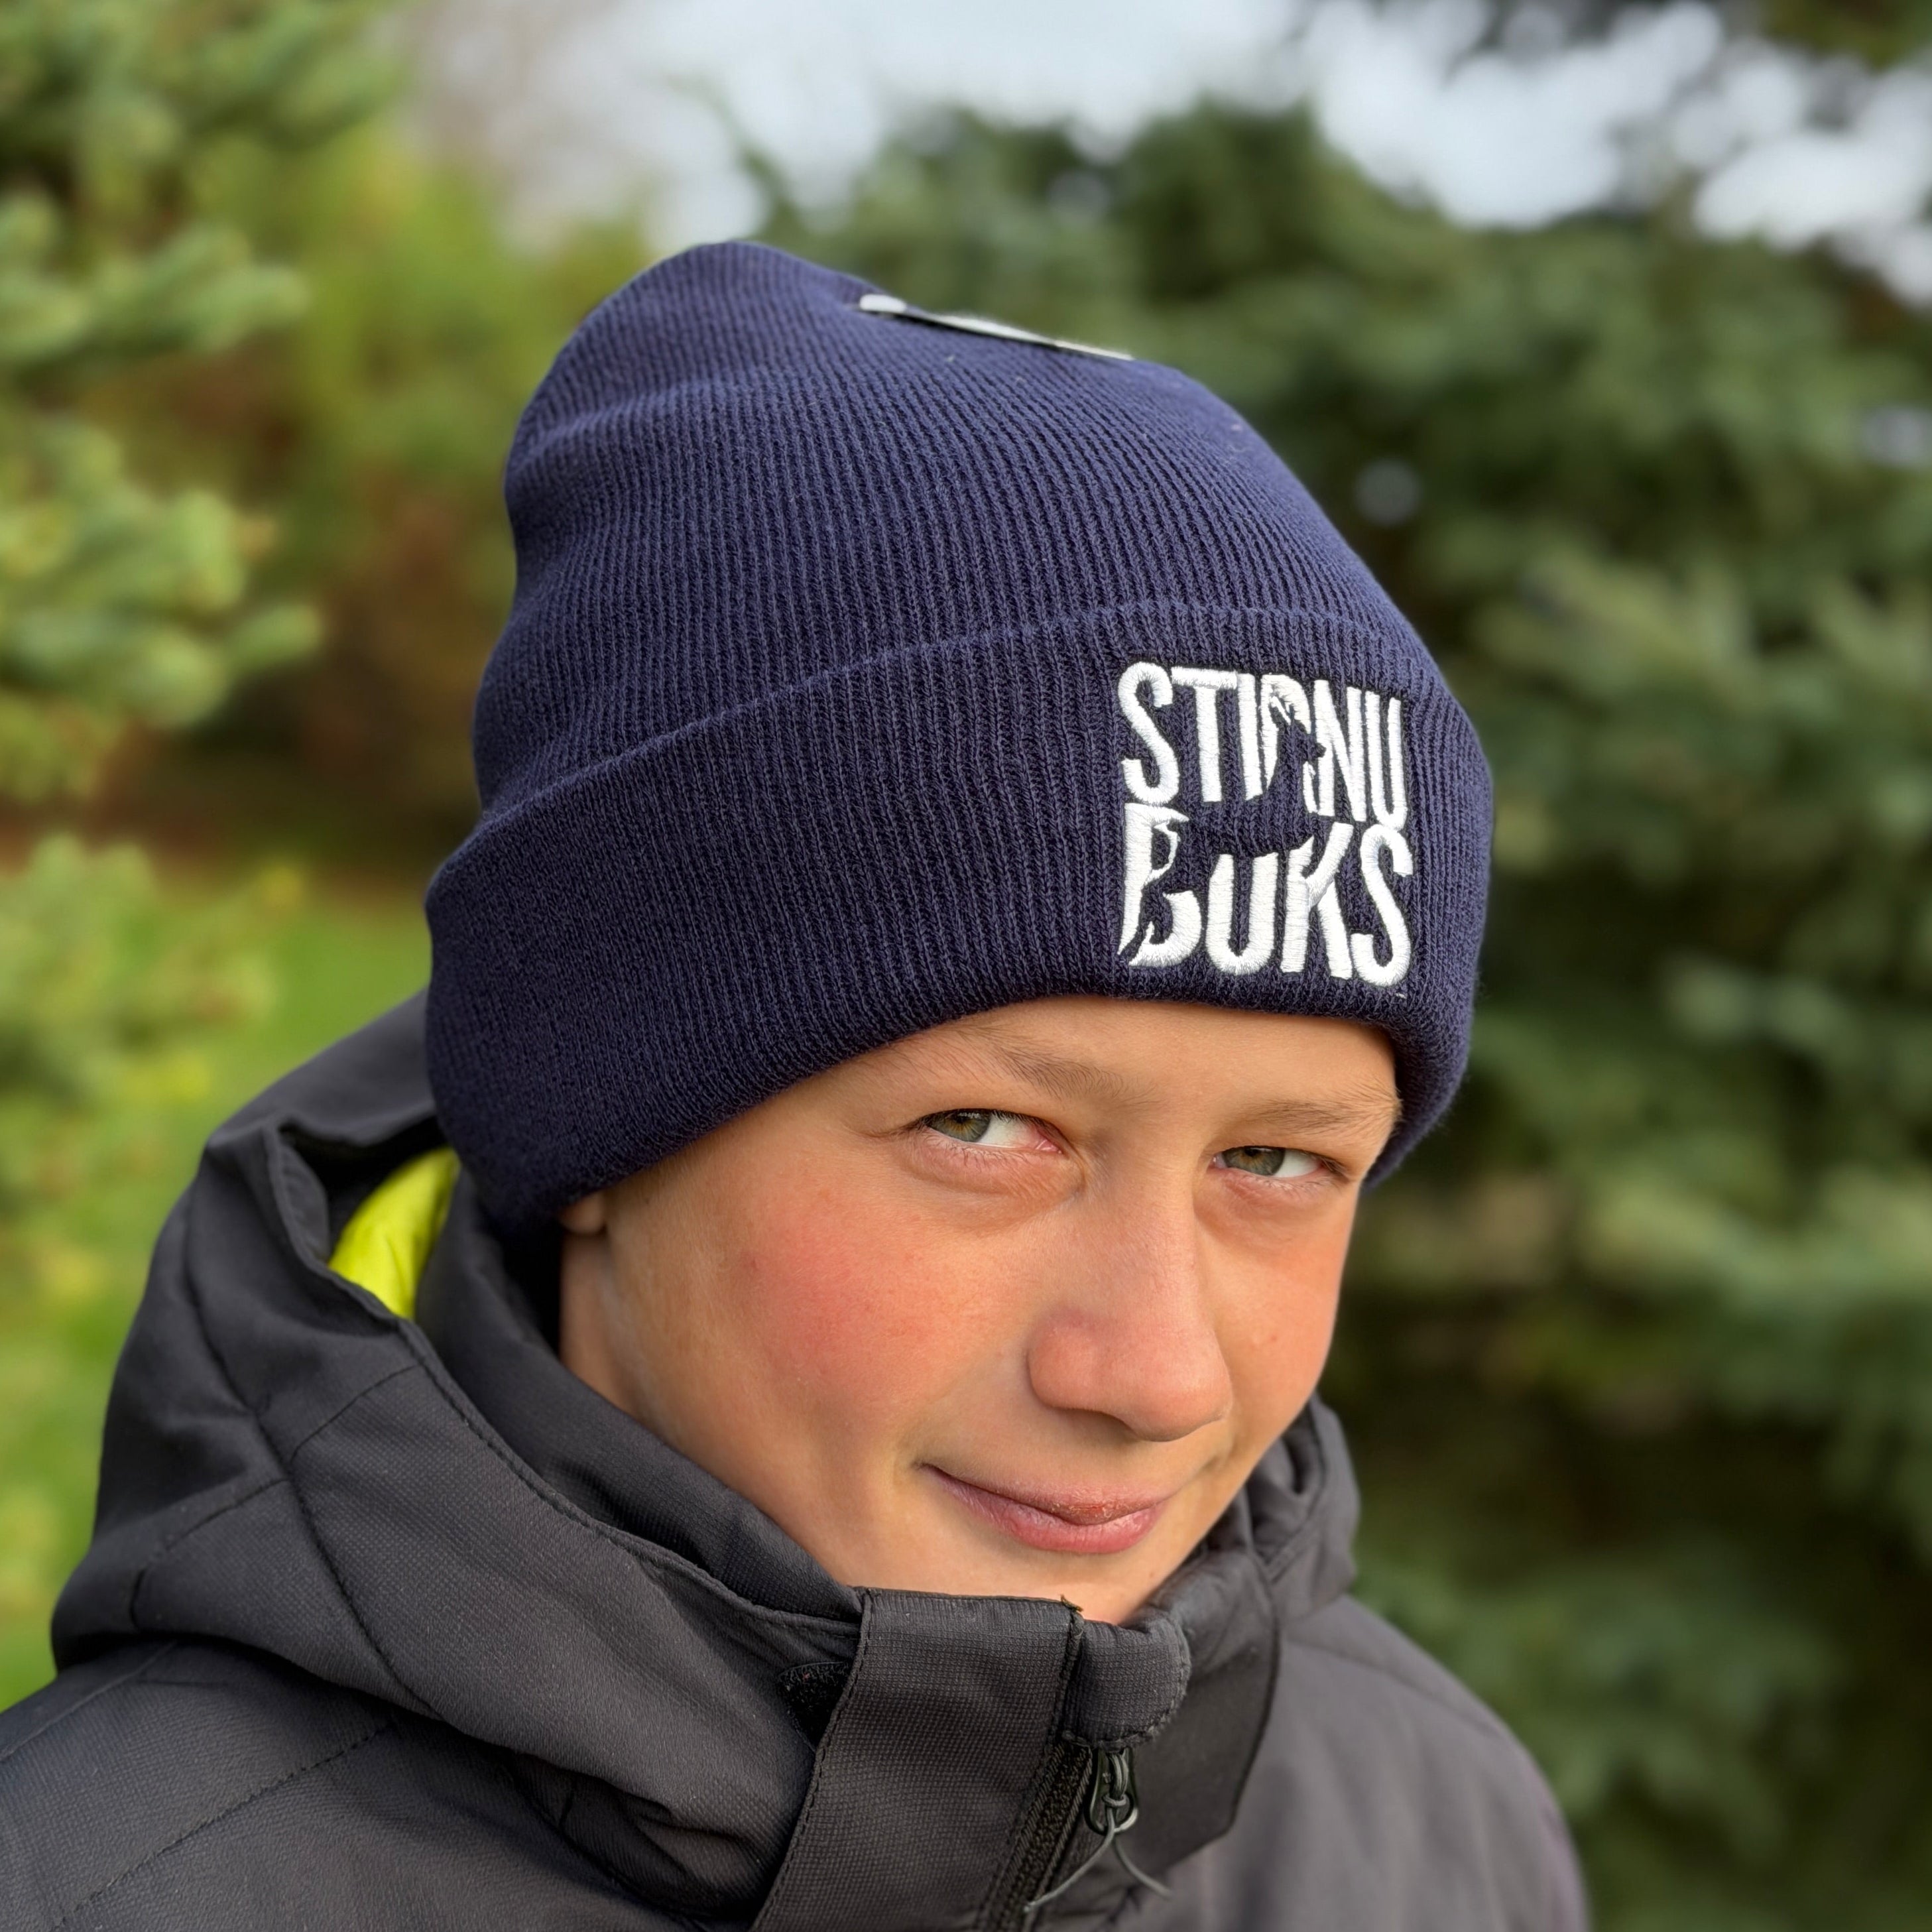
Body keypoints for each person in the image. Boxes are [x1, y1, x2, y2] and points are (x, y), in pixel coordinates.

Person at [0, 242, 1586, 1930]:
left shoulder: (1435, 1831)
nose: (1154, 1369)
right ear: (590, 1119)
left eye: (1275, 1161)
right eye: (986, 1130)